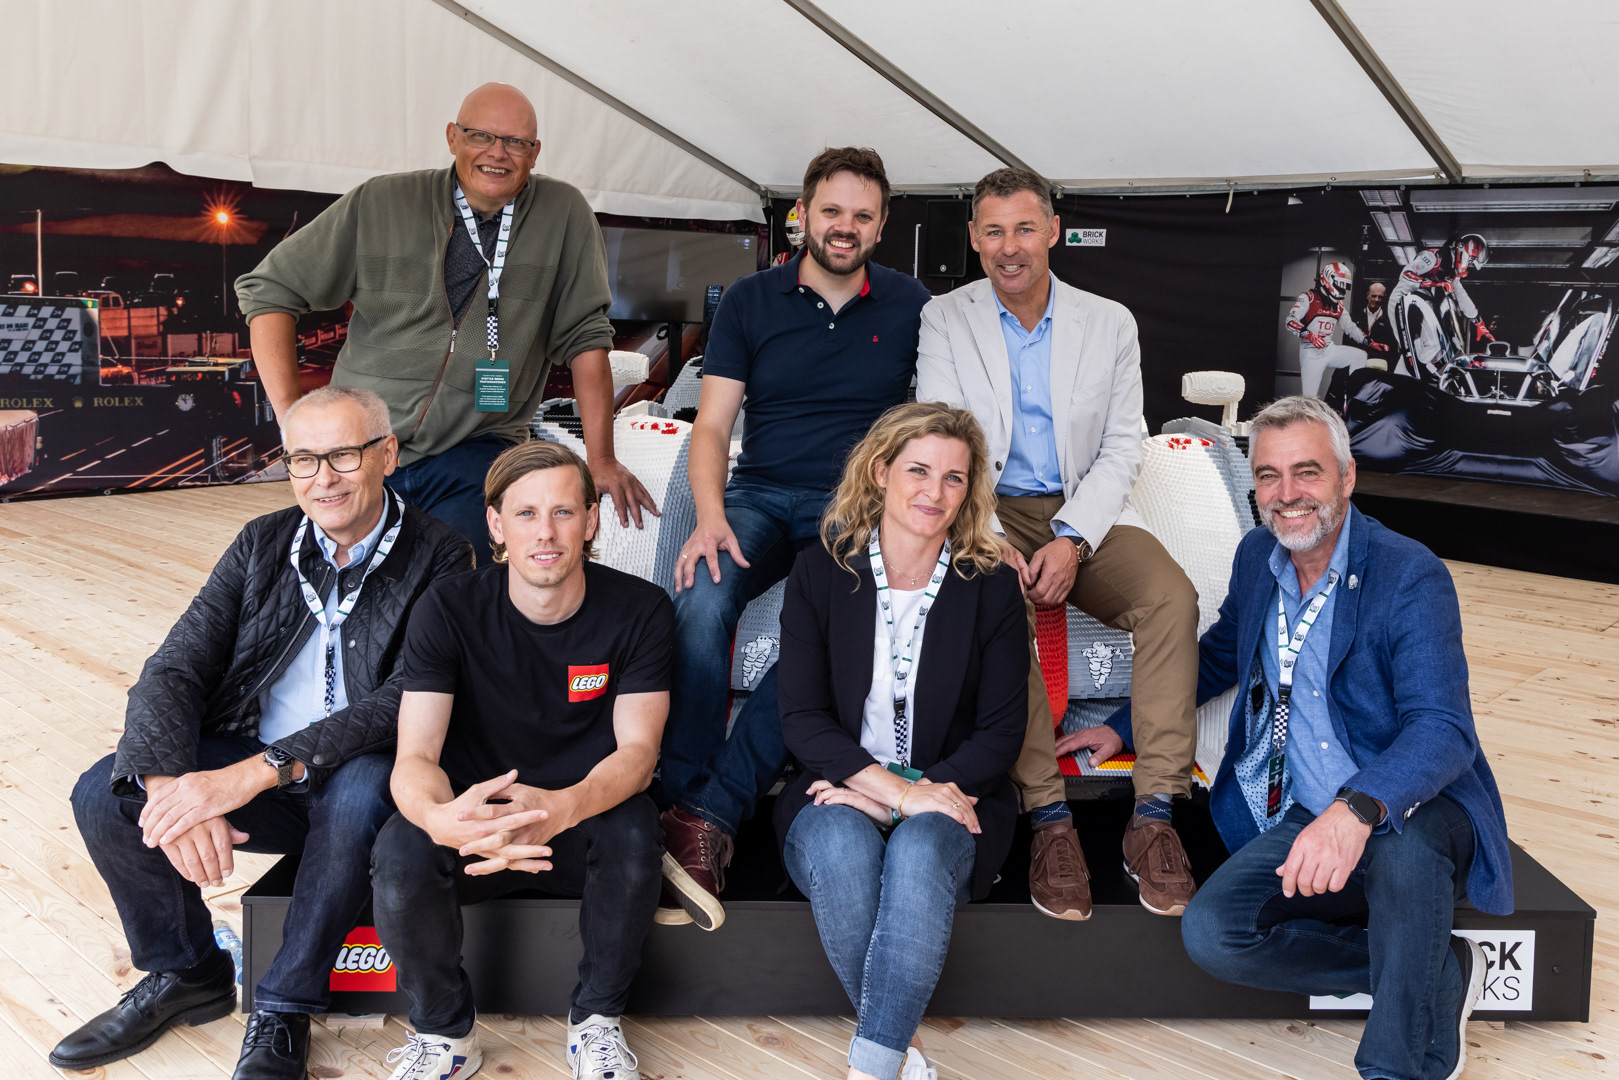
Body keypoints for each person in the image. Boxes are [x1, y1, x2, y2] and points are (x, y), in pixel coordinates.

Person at [54, 387, 473, 1080]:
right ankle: (188, 973)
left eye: (344, 455)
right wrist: (169, 789)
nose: (323, 478)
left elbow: (404, 699)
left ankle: (283, 1005)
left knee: (361, 787)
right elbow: (174, 666)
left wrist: (249, 775)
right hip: (256, 761)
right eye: (303, 459)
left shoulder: (442, 554)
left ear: (388, 455)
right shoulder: (262, 542)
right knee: (104, 792)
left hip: (357, 771)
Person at [1147, 395, 1511, 1080]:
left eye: (1306, 472)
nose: (1286, 494)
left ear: (1347, 477)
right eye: (1268, 475)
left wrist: (1356, 810)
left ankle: (1393, 1067)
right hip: (1307, 811)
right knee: (1214, 933)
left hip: (1411, 806)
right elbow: (1220, 655)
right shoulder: (1258, 554)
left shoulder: (1408, 573)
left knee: (1403, 852)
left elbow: (1443, 729)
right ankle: (1436, 968)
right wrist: (1123, 723)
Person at [657, 147, 932, 930]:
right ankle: (679, 797)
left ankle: (710, 814)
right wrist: (710, 515)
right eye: (831, 211)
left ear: (881, 225)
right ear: (802, 215)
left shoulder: (912, 303)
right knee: (701, 597)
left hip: (853, 505)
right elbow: (712, 427)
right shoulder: (750, 299)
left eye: (861, 215)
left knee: (829, 633)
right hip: (756, 494)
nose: (845, 227)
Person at [917, 167, 1202, 922]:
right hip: (985, 507)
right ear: (974, 239)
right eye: (992, 231)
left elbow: (1123, 444)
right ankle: (1048, 817)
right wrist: (982, 535)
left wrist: (1073, 538)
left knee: (1170, 598)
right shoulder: (945, 318)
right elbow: (940, 435)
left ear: (1051, 231)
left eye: (1023, 228)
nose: (1009, 247)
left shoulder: (1108, 322)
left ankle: (1155, 816)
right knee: (994, 604)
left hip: (1083, 507)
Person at [237, 82, 657, 566]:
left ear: (535, 152)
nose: (497, 153)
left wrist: (601, 459)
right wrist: (293, 419)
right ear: (453, 137)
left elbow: (586, 337)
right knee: (347, 577)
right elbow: (269, 290)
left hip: (477, 445)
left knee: (460, 578)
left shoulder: (563, 213)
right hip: (365, 445)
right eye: (481, 136)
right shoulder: (383, 201)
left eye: (516, 142)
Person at [371, 440, 672, 1080]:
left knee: (635, 827)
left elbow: (639, 754)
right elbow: (415, 756)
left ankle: (597, 1023)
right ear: (495, 524)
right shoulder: (446, 609)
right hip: (478, 826)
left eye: (563, 512)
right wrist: (442, 819)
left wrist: (562, 808)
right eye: (526, 513)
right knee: (401, 846)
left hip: (580, 814)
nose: (545, 533)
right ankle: (444, 1036)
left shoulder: (641, 609)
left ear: (591, 521)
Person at [775, 402, 1027, 1080]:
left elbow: (1000, 733)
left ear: (968, 490)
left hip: (955, 793)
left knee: (918, 847)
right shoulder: (820, 572)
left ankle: (872, 1068)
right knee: (839, 841)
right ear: (881, 472)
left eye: (953, 478)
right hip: (840, 788)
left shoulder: (992, 586)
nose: (933, 492)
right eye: (918, 470)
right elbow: (801, 717)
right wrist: (890, 793)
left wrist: (907, 799)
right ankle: (899, 1050)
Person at [1388, 234, 1493, 379]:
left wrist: (1479, 322)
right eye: (1471, 261)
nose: (1469, 266)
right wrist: (1431, 283)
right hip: (1402, 302)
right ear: (1464, 252)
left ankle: (1402, 383)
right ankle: (1401, 383)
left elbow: (1462, 297)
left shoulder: (1451, 272)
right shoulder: (1432, 258)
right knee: (1414, 350)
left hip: (1420, 308)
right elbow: (1406, 274)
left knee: (1433, 347)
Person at [1286, 261, 1382, 397]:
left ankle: (1352, 397)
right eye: (1340, 284)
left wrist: (1369, 342)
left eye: (1345, 285)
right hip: (1311, 353)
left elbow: (1349, 327)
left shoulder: (1339, 305)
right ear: (1328, 279)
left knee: (1360, 356)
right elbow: (1290, 321)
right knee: (1310, 399)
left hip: (1329, 349)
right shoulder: (1309, 297)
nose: (1343, 289)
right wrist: (1309, 335)